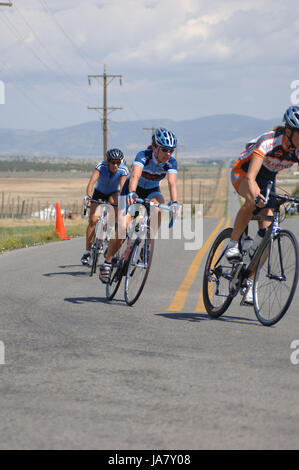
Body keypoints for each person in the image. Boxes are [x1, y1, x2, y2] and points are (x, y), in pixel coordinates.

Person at [226, 105, 299, 303]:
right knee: (252, 202)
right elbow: (250, 179)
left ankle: (249, 281)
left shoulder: (297, 150)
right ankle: (232, 244)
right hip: (244, 172)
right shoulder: (269, 141)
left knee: (268, 235)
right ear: (289, 131)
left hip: (267, 178)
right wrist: (257, 195)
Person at [99, 127, 179, 282]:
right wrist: (132, 192)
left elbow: (172, 183)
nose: (168, 154)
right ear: (155, 147)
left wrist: (174, 203)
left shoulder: (171, 163)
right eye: (164, 150)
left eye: (171, 150)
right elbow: (135, 175)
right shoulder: (144, 156)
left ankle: (146, 247)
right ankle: (108, 262)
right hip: (131, 191)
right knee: (122, 229)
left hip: (151, 191)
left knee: (159, 206)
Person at [81, 148, 129, 265]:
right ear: (108, 161)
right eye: (113, 162)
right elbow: (92, 182)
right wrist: (88, 196)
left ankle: (110, 231)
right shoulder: (101, 166)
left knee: (116, 202)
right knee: (93, 221)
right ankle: (87, 252)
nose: (115, 165)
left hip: (114, 193)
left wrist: (125, 203)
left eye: (118, 162)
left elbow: (123, 188)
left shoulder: (123, 169)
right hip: (99, 192)